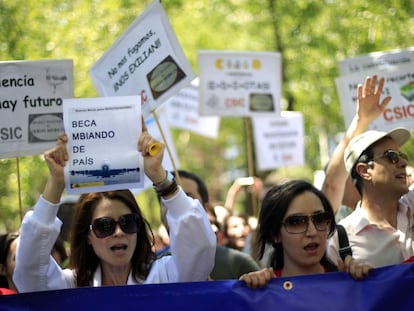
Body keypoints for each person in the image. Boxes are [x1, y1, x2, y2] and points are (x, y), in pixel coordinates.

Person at [13, 123, 216, 292]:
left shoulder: (164, 277)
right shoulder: (71, 287)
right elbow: (28, 273)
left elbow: (200, 249)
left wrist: (160, 176)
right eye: (105, 226)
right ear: (88, 237)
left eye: (129, 222)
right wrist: (56, 183)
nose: (119, 233)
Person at [323, 74, 414, 267]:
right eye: (391, 156)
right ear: (364, 171)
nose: (402, 163)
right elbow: (331, 185)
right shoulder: (340, 241)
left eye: (402, 156)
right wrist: (361, 121)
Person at [239, 180, 372, 288]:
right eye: (296, 222)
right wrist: (250, 293)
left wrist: (361, 286)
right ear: (275, 234)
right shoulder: (261, 291)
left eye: (319, 218)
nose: (312, 232)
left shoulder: (350, 283)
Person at [158, 169, 260, 280]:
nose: (176, 207)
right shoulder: (151, 270)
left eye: (186, 199)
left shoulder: (238, 264)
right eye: (167, 199)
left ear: (205, 209)